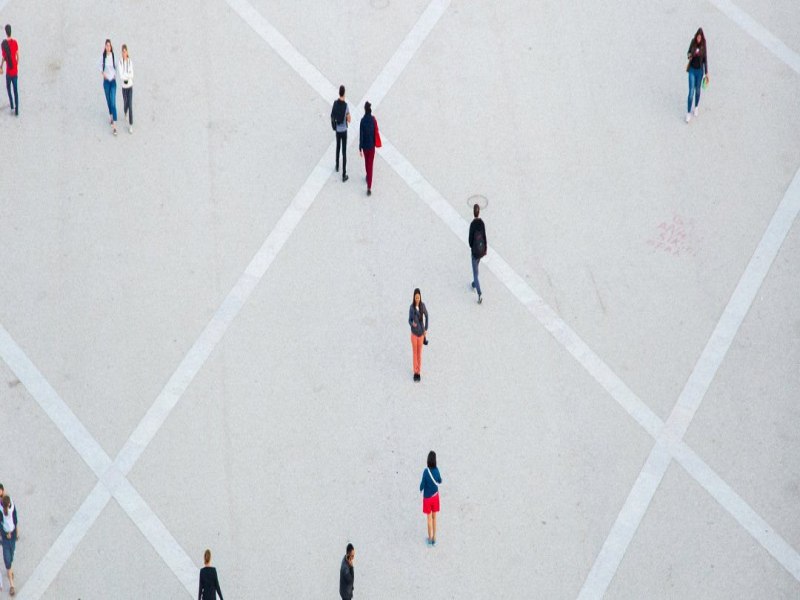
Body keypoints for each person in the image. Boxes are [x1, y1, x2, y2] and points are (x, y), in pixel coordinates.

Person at [685, 28, 709, 123]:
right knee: (691, 91)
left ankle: (696, 107)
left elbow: (705, 59)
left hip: (699, 71)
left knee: (698, 90)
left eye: (700, 37)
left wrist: (706, 72)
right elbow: (688, 54)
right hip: (692, 70)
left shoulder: (704, 45)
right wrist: (692, 54)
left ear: (702, 37)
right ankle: (688, 112)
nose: (698, 39)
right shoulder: (693, 42)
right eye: (697, 37)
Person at [419, 451, 442, 546]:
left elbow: (422, 484)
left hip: (427, 498)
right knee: (434, 517)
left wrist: (420, 489)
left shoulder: (425, 471)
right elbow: (440, 480)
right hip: (435, 497)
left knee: (428, 518)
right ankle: (434, 538)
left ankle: (429, 538)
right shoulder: (437, 470)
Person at [331, 85, 351, 182]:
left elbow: (332, 115)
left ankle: (337, 165)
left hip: (337, 130)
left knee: (337, 147)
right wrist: (347, 115)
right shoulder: (346, 106)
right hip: (344, 131)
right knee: (344, 151)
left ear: (339, 92)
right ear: (344, 93)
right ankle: (344, 174)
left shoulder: (335, 103)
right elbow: (349, 120)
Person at [468, 203, 487, 304]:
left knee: (475, 273)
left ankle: (479, 293)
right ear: (479, 212)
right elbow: (484, 237)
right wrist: (485, 250)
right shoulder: (482, 223)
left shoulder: (472, 224)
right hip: (481, 251)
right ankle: (474, 284)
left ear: (473, 213)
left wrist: (472, 248)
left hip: (475, 253)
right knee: (477, 267)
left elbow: (470, 240)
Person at [408, 288, 428, 381]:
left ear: (420, 297)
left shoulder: (422, 306)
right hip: (414, 334)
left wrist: (426, 329)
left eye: (418, 297)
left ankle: (418, 371)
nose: (417, 299)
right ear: (414, 297)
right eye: (416, 297)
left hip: (421, 334)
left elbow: (427, 316)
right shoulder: (411, 308)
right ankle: (415, 371)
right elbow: (409, 320)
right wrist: (412, 324)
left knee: (419, 353)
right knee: (414, 353)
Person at [0, 24, 19, 116]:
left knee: (8, 88)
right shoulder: (15, 42)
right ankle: (17, 109)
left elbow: (3, 58)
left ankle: (11, 105)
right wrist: (16, 64)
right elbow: (17, 56)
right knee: (16, 90)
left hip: (8, 72)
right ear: (11, 31)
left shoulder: (4, 45)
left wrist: (1, 66)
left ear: (6, 32)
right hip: (15, 71)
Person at [359, 101, 377, 195]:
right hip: (372, 146)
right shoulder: (373, 120)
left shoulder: (362, 121)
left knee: (367, 163)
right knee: (371, 165)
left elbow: (361, 136)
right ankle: (369, 186)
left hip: (365, 146)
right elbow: (375, 132)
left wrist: (360, 148)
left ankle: (367, 176)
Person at [100, 39, 118, 135]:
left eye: (109, 46)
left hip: (113, 82)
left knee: (113, 102)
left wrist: (114, 75)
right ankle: (111, 116)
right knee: (108, 100)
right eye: (107, 45)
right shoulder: (103, 57)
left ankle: (114, 126)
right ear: (105, 47)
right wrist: (103, 75)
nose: (108, 47)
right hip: (106, 82)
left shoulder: (113, 56)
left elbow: (116, 67)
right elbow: (99, 66)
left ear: (111, 47)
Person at [1, 495, 17, 596]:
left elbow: (15, 519)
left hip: (13, 535)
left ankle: (10, 570)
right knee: (7, 559)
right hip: (5, 537)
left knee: (11, 556)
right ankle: (12, 585)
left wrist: (16, 531)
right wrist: (4, 533)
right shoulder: (1, 511)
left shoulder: (12, 508)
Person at [119, 43, 134, 133]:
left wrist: (127, 75)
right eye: (123, 52)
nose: (124, 53)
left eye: (125, 51)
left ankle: (131, 124)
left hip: (130, 86)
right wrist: (127, 75)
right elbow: (121, 76)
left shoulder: (130, 62)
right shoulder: (120, 62)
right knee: (126, 103)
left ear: (127, 52)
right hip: (124, 87)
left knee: (130, 105)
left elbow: (132, 75)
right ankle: (125, 111)